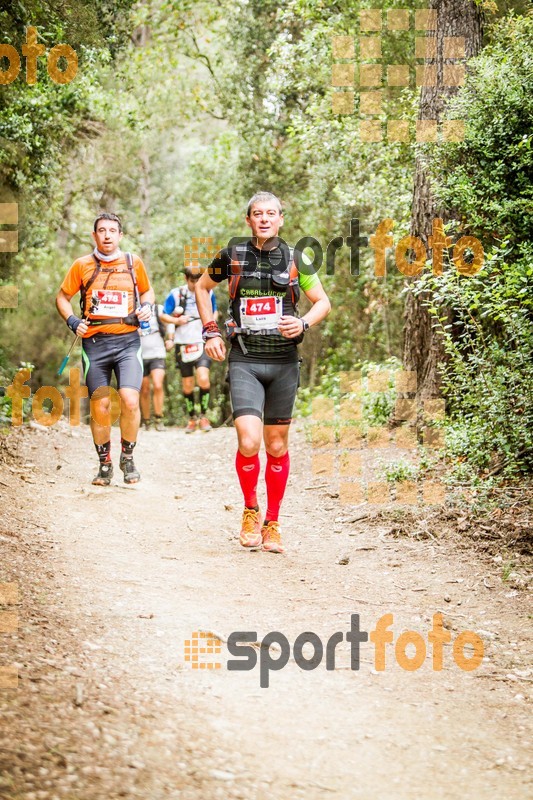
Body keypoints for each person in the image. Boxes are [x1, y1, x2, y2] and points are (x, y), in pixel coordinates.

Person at [195, 192, 331, 553]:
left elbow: (323, 302)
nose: (265, 219)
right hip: (245, 359)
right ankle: (250, 510)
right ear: (249, 220)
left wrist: (302, 323)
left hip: (284, 362)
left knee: (275, 446)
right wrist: (209, 329)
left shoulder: (296, 258)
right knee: (249, 441)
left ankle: (272, 522)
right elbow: (202, 287)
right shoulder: (233, 255)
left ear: (281, 219)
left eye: (271, 213)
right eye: (258, 214)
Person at [56, 213, 154, 485]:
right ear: (94, 235)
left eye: (113, 230)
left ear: (120, 235)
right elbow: (62, 297)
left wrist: (147, 307)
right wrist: (73, 321)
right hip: (95, 344)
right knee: (100, 406)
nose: (107, 235)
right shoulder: (82, 265)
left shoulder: (133, 263)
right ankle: (105, 463)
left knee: (130, 400)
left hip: (128, 342)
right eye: (102, 230)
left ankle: (128, 456)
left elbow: (147, 292)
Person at [160, 267, 218, 433]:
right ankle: (192, 418)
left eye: (198, 280)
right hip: (183, 343)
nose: (195, 284)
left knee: (203, 377)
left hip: (202, 341)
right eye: (192, 281)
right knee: (188, 384)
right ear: (186, 278)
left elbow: (215, 312)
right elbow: (164, 315)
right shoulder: (176, 294)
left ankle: (204, 416)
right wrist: (176, 322)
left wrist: (210, 325)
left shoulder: (208, 291)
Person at [140, 302, 167, 431]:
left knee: (157, 384)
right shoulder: (133, 309)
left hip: (157, 352)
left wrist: (171, 338)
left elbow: (169, 321)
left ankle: (159, 418)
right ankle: (146, 420)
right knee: (144, 388)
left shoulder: (158, 309)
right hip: (139, 354)